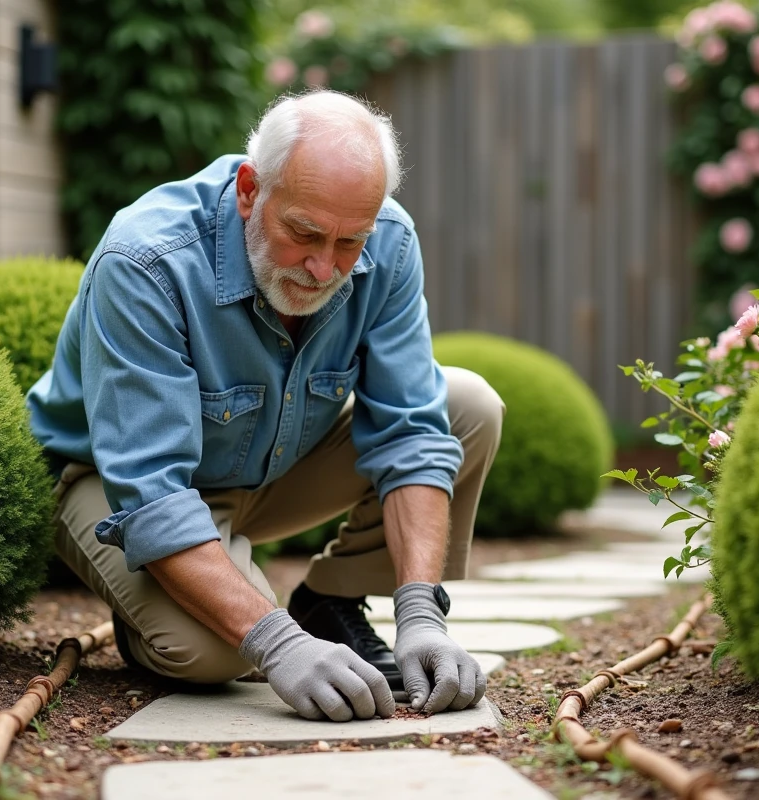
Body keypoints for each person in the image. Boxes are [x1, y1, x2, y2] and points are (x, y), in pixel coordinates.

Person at [27, 90, 505, 722]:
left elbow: (412, 430)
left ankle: (331, 598)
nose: (323, 267)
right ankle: (161, 604)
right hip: (111, 484)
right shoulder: (146, 260)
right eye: (304, 233)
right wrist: (278, 644)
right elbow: (149, 489)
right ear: (250, 189)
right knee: (212, 655)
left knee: (467, 404)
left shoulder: (389, 239)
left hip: (269, 465)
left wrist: (420, 614)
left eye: (348, 242)